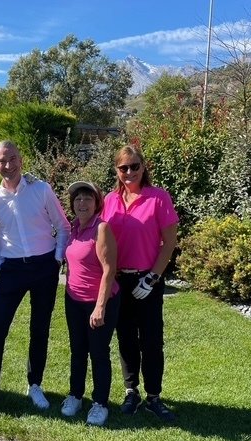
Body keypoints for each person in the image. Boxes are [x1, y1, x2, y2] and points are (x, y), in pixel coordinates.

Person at [0, 140, 71, 421]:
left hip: (44, 266)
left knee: (40, 327)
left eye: (12, 158)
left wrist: (57, 259)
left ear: (21, 160)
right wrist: (1, 264)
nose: (8, 165)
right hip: (12, 269)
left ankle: (34, 385)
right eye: (2, 161)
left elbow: (63, 226)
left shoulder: (41, 189)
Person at [101, 144, 179, 422]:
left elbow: (170, 242)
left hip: (148, 279)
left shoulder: (158, 197)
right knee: (125, 338)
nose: (129, 172)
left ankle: (153, 396)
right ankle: (131, 391)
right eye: (123, 167)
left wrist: (152, 277)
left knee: (151, 340)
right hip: (119, 280)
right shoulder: (109, 200)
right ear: (116, 170)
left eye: (135, 166)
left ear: (143, 167)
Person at [61, 181, 120, 427]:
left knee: (98, 352)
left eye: (88, 198)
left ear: (97, 203)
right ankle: (75, 395)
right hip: (73, 300)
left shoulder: (101, 228)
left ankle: (100, 403)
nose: (82, 203)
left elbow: (109, 270)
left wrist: (100, 306)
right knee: (77, 350)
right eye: (78, 199)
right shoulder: (74, 227)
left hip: (99, 301)